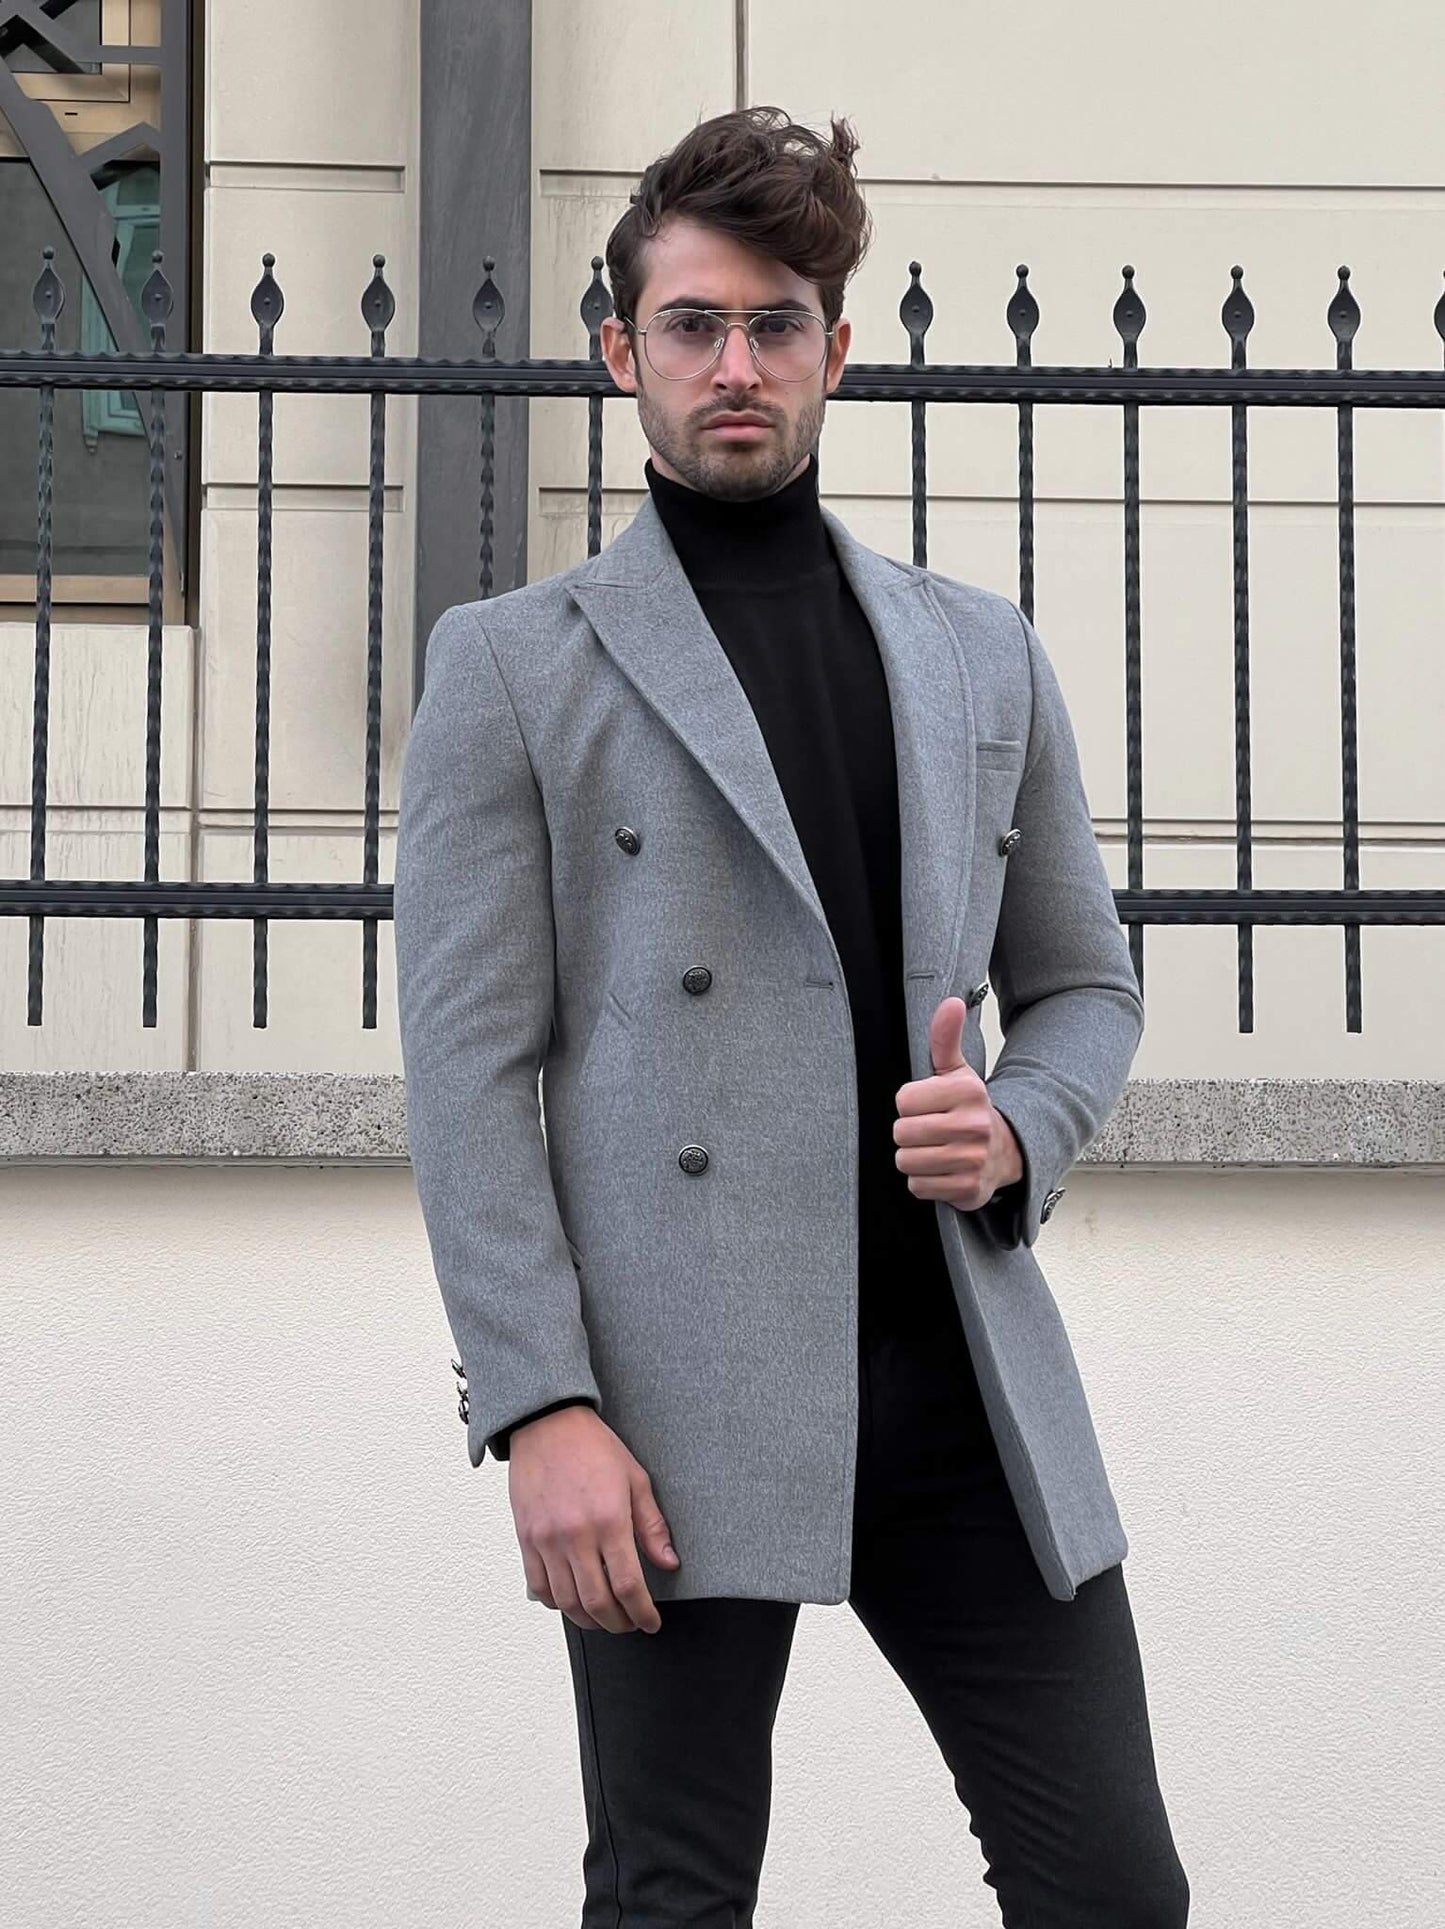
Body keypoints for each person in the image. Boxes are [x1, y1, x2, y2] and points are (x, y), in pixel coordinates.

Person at [394, 104, 1189, 1927]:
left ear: (837, 347)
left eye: (774, 324)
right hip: (665, 1398)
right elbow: (467, 1074)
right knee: (673, 1896)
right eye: (693, 324)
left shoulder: (977, 651)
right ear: (622, 352)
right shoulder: (511, 666)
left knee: (1112, 1888)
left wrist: (1017, 1128)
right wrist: (539, 1403)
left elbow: (1084, 983)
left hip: (963, 1381)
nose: (734, 365)